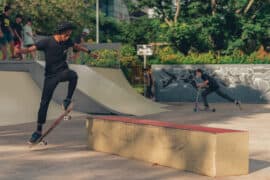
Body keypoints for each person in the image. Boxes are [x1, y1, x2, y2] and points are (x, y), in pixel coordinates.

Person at [15, 22, 96, 144]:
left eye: (69, 35)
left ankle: (67, 100)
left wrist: (89, 52)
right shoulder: (47, 42)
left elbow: (77, 46)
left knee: (73, 75)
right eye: (66, 35)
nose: (68, 37)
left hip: (63, 71)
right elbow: (31, 48)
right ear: (60, 33)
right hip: (50, 76)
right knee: (44, 103)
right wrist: (20, 51)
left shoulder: (67, 41)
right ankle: (38, 131)